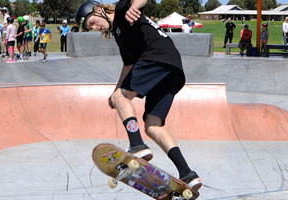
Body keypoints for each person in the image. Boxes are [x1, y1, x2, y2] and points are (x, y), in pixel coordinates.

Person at [75, 0, 202, 191]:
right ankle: (188, 173)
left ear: (98, 10)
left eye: (92, 22)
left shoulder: (121, 9)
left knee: (122, 97)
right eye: (90, 27)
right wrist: (115, 90)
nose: (95, 27)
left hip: (156, 56)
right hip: (172, 67)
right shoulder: (119, 35)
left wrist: (134, 7)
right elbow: (128, 66)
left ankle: (137, 144)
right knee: (153, 125)